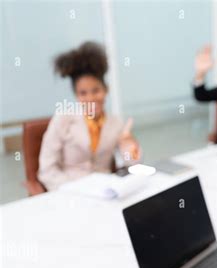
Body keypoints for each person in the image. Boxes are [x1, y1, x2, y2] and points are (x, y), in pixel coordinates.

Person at [38, 42, 141, 191]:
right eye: (83, 93)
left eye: (96, 90)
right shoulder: (63, 118)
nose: (91, 98)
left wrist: (129, 146)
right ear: (76, 96)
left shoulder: (116, 123)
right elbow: (47, 170)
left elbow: (132, 165)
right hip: (69, 191)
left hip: (105, 191)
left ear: (106, 90)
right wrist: (72, 189)